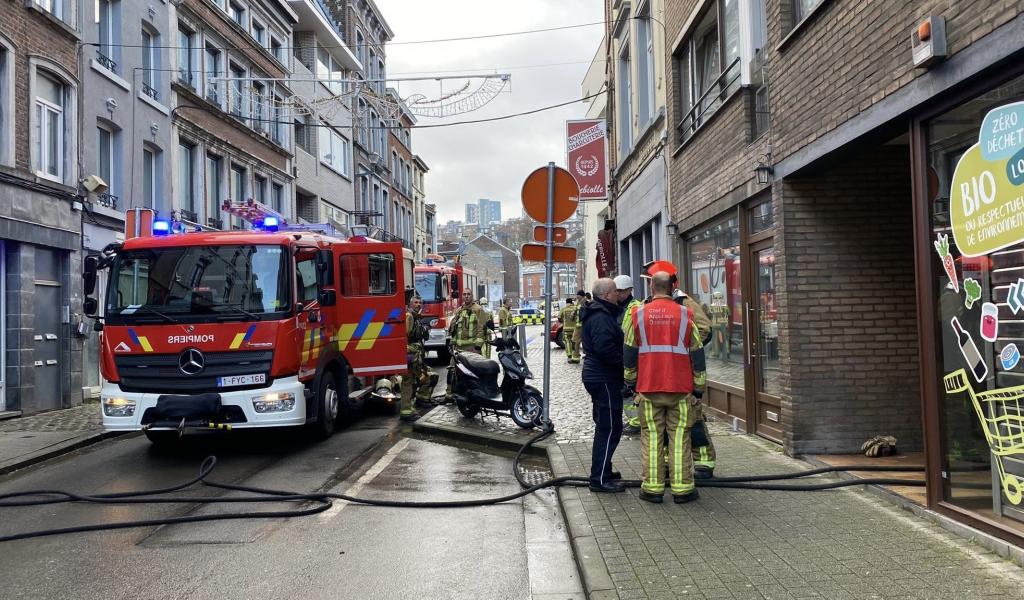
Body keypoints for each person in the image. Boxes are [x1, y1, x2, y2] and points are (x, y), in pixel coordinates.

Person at [623, 272, 707, 503]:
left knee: (651, 438)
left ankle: (652, 489)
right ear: (672, 288)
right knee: (680, 437)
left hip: (648, 388)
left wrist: (631, 382)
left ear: (651, 287)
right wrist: (699, 387)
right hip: (680, 388)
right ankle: (682, 490)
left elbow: (629, 352)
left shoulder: (637, 314)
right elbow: (697, 354)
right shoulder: (685, 314)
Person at [646, 260, 717, 479]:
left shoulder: (683, 302)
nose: (650, 284)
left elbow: (704, 329)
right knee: (665, 426)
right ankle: (668, 463)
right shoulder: (649, 304)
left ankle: (704, 460)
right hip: (660, 375)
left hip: (682, 374)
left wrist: (684, 351)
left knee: (693, 420)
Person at [581, 278, 626, 493]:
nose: (618, 294)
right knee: (609, 428)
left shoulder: (600, 313)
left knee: (606, 426)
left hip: (599, 376)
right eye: (616, 291)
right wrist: (625, 362)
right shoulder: (600, 317)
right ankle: (598, 479)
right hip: (603, 377)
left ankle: (604, 470)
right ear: (607, 294)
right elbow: (604, 348)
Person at [615, 275, 644, 435]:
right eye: (616, 291)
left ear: (628, 290)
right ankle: (633, 420)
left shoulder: (636, 307)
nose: (617, 294)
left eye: (620, 291)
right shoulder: (617, 307)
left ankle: (636, 422)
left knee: (631, 390)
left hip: (633, 356)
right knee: (625, 390)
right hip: (622, 355)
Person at [445, 290, 486, 399]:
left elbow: (481, 329)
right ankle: (449, 394)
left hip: (471, 348)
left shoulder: (478, 310)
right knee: (452, 370)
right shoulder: (459, 310)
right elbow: (454, 329)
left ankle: (475, 394)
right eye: (464, 294)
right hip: (458, 349)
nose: (466, 296)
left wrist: (477, 347)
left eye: (468, 294)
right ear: (462, 296)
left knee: (472, 373)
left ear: (472, 296)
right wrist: (452, 344)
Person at [400, 295, 431, 421]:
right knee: (408, 381)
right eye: (416, 302)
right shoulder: (409, 316)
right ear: (410, 304)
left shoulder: (416, 317)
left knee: (419, 379)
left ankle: (413, 404)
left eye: (420, 302)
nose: (418, 304)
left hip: (416, 355)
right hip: (410, 355)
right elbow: (405, 337)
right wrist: (409, 353)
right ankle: (406, 410)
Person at [558, 297, 580, 363]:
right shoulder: (574, 308)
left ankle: (569, 355)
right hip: (575, 328)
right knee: (575, 342)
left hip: (566, 329)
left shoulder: (563, 309)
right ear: (571, 302)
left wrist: (564, 321)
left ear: (566, 303)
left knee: (567, 341)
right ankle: (575, 355)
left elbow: (559, 318)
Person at [571, 290, 587, 360]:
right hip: (579, 325)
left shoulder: (584, 302)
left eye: (577, 295)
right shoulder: (579, 302)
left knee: (575, 341)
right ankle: (577, 356)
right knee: (582, 341)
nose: (576, 296)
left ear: (581, 295)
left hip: (581, 326)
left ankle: (576, 358)